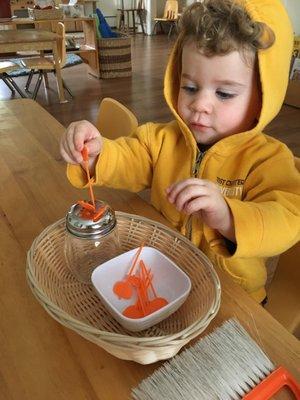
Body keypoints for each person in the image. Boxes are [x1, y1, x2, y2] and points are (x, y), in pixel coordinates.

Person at [60, 0, 300, 303]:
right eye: (189, 87)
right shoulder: (160, 140)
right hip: (164, 278)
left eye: (224, 93)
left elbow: (288, 219)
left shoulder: (268, 161)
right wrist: (96, 154)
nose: (200, 104)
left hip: (233, 298)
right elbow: (129, 157)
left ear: (264, 97)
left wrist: (227, 217)